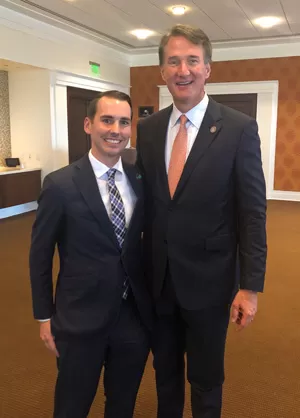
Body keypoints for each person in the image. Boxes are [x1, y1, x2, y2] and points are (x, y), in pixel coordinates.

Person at [136, 24, 267, 418]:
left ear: (208, 68)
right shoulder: (148, 129)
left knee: (207, 379)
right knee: (165, 373)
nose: (183, 70)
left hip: (210, 282)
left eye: (192, 60)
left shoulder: (238, 129)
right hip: (158, 278)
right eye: (173, 61)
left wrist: (250, 287)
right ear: (162, 71)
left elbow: (252, 213)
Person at [29, 90, 153, 418]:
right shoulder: (59, 185)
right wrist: (44, 317)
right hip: (79, 319)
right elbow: (40, 255)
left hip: (132, 316)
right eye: (107, 120)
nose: (116, 129)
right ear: (88, 124)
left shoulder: (139, 179)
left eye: (124, 122)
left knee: (122, 404)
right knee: (72, 405)